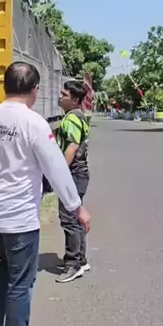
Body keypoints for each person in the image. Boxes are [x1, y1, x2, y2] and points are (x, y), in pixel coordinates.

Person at [0, 62, 91, 326]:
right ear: (35, 90)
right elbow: (56, 168)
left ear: (5, 86)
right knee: (22, 281)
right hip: (19, 216)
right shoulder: (34, 123)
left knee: (5, 266)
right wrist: (77, 207)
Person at [54, 80, 92, 284]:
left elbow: (72, 146)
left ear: (75, 100)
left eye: (64, 95)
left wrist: (60, 173)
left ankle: (73, 264)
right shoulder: (76, 115)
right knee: (76, 217)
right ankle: (80, 260)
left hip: (73, 173)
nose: (60, 97)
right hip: (79, 173)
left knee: (69, 218)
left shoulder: (72, 118)